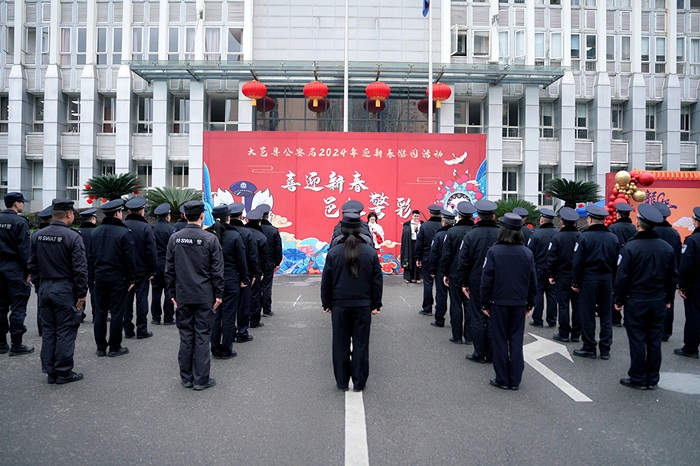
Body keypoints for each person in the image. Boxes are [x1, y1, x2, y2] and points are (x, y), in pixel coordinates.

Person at [614, 204, 677, 390]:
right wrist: (669, 299)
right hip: (658, 300)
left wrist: (618, 299)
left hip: (637, 300)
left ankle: (638, 377)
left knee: (637, 339)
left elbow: (622, 277)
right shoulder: (667, 248)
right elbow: (672, 277)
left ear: (638, 223)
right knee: (654, 340)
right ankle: (652, 378)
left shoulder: (630, 248)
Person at [28, 199, 88, 384]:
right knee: (65, 330)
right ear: (69, 214)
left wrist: (39, 287)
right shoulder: (73, 237)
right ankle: (63, 371)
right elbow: (80, 268)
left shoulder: (37, 235)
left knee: (49, 331)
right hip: (65, 289)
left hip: (45, 288)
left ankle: (50, 370)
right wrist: (82, 293)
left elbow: (32, 264)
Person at [165, 201, 224, 390]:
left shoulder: (175, 238)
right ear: (202, 216)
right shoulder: (210, 239)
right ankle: (200, 379)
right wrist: (219, 293)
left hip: (183, 294)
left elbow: (169, 269)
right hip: (204, 295)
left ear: (184, 216)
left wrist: (172, 292)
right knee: (202, 335)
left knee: (186, 335)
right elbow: (217, 270)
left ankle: (186, 378)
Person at [321, 213, 383, 392]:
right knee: (361, 344)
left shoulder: (333, 252)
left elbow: (327, 281)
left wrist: (327, 303)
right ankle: (359, 382)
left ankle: (342, 382)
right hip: (363, 305)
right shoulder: (370, 252)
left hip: (340, 305)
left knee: (340, 344)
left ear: (342, 229)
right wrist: (376, 304)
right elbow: (377, 281)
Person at [480, 213, 537, 390]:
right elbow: (532, 280)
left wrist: (484, 302)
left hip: (498, 302)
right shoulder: (527, 253)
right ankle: (515, 379)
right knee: (516, 340)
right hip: (519, 302)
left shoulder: (494, 252)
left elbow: (487, 280)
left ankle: (502, 379)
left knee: (500, 340)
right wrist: (530, 303)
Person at [571, 205, 619, 360]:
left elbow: (577, 262)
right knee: (606, 314)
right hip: (607, 279)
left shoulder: (584, 237)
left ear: (590, 220)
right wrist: (614, 283)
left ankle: (589, 346)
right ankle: (605, 349)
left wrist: (575, 282)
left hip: (589, 279)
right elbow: (616, 262)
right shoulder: (613, 238)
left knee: (588, 313)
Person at [90, 199, 135, 358]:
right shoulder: (123, 232)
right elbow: (129, 259)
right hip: (117, 278)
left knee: (100, 313)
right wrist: (131, 279)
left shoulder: (95, 232)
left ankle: (100, 347)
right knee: (117, 312)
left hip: (100, 277)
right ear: (117, 213)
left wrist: (92, 276)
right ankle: (115, 346)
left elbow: (90, 257)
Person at [458, 199, 500, 364]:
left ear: (478, 217)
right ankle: (492, 353)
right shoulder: (501, 233)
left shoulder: (471, 235)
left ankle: (479, 352)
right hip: (497, 280)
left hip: (476, 280)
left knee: (477, 315)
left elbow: (463, 262)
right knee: (492, 316)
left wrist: (463, 283)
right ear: (493, 216)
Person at [205, 205, 248, 359]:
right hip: (231, 280)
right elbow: (241, 261)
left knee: (215, 315)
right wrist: (244, 279)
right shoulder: (234, 235)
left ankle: (215, 349)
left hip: (212, 281)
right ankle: (226, 349)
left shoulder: (207, 235)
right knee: (229, 316)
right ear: (228, 218)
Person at [0, 192, 34, 356]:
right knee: (18, 308)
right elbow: (24, 249)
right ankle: (16, 344)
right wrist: (29, 270)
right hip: (15, 269)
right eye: (22, 202)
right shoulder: (20, 222)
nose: (23, 205)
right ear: (16, 203)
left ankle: (1, 344)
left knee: (0, 308)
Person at [440, 202, 476, 344]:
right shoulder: (475, 231)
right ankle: (469, 336)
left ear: (459, 215)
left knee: (455, 304)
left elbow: (446, 255)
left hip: (454, 273)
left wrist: (445, 273)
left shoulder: (452, 232)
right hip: (471, 274)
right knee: (469, 305)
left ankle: (457, 336)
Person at [123, 196, 157, 339]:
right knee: (142, 298)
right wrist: (153, 270)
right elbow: (151, 251)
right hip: (142, 269)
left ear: (129, 211)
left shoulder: (122, 226)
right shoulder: (146, 228)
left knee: (127, 298)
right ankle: (142, 329)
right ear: (142, 211)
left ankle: (127, 328)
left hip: (125, 270)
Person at [547, 207, 582, 343]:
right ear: (575, 222)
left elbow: (552, 258)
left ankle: (564, 332)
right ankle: (576, 333)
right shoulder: (581, 237)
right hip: (577, 275)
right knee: (577, 305)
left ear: (562, 222)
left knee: (563, 305)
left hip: (562, 275)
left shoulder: (557, 238)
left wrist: (551, 274)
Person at [652, 202, 682, 342]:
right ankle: (666, 331)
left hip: (652, 272)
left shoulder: (652, 232)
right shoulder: (674, 233)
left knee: (652, 300)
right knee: (669, 301)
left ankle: (653, 329)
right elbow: (678, 255)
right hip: (670, 272)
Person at [229, 202, 260, 343]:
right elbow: (253, 256)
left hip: (226, 273)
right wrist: (254, 274)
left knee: (227, 306)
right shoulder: (247, 233)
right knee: (243, 305)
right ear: (241, 216)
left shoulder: (222, 232)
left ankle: (229, 332)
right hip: (244, 273)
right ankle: (242, 332)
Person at [674, 206, 700, 359]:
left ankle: (691, 347)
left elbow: (686, 264)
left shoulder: (692, 240)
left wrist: (682, 285)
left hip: (695, 285)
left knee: (693, 316)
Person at [528, 208, 558, 328]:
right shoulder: (557, 234)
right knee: (552, 294)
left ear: (541, 220)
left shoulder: (536, 234)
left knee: (538, 293)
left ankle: (537, 319)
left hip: (539, 267)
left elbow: (530, 252)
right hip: (553, 268)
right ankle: (552, 319)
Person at [608, 203, 637, 327]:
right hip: (632, 262)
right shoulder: (634, 228)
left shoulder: (612, 228)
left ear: (618, 214)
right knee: (630, 289)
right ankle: (628, 319)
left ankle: (615, 318)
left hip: (616, 262)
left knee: (615, 289)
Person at [151, 203, 176, 326]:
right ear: (167, 216)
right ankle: (168, 318)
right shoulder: (172, 230)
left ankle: (156, 317)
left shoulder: (152, 229)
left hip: (155, 263)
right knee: (168, 291)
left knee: (156, 291)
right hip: (168, 263)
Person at [428, 209, 454, 330]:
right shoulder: (457, 234)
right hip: (454, 269)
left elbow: (433, 254)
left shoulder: (439, 235)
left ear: (443, 222)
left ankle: (439, 319)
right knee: (455, 298)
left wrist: (432, 270)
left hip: (441, 269)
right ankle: (455, 322)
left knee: (441, 295)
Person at [416, 205, 443, 316]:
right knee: (440, 286)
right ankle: (440, 310)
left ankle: (427, 308)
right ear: (440, 214)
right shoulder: (443, 226)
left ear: (430, 213)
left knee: (428, 283)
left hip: (427, 256)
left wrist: (418, 258)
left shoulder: (424, 226)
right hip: (441, 258)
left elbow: (419, 244)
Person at [245, 207, 269, 329]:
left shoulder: (241, 233)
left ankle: (242, 320)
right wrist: (262, 272)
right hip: (256, 268)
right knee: (255, 294)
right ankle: (254, 320)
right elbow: (264, 258)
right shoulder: (261, 237)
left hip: (242, 268)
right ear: (259, 222)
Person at [33, 205, 54, 336]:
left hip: (41, 276)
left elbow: (31, 259)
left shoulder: (35, 235)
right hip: (59, 278)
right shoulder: (62, 233)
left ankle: (42, 329)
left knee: (42, 304)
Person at [259, 204, 283, 317]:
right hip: (269, 261)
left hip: (256, 261)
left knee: (256, 287)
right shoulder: (273, 230)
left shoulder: (253, 230)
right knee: (267, 286)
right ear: (268, 216)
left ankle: (255, 310)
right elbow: (278, 247)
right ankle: (267, 310)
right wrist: (277, 262)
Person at [77, 208, 98, 322]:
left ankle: (79, 314)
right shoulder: (97, 232)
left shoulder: (76, 232)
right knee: (95, 292)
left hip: (79, 266)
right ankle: (96, 315)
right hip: (94, 266)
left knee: (80, 290)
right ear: (93, 219)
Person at [400, 210, 422, 283]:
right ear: (412, 216)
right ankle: (408, 278)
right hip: (409, 243)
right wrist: (413, 230)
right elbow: (406, 234)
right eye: (415, 216)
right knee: (409, 259)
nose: (416, 218)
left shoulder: (421, 224)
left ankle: (417, 277)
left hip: (418, 243)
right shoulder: (407, 225)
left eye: (417, 216)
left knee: (417, 259)